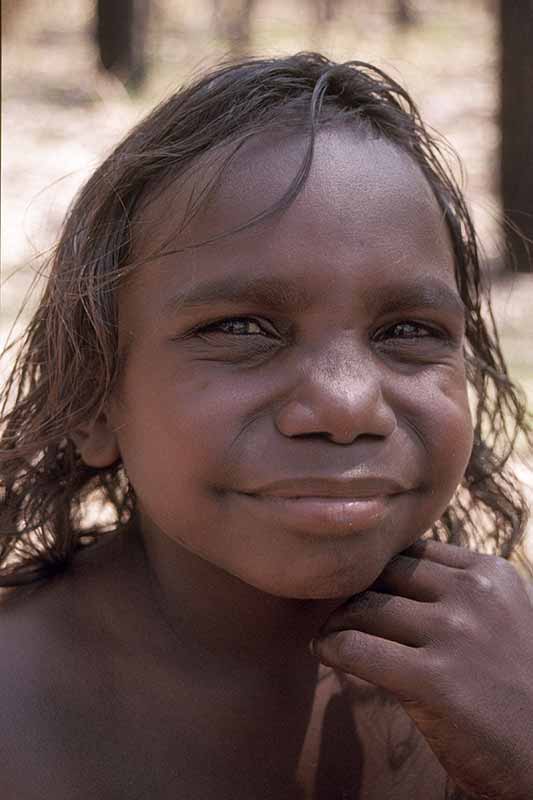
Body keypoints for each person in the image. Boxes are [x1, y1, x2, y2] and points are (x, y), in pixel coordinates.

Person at [0, 53, 532, 800]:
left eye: (407, 330)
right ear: (93, 398)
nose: (347, 406)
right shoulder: (16, 710)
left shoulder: (511, 676)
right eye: (244, 327)